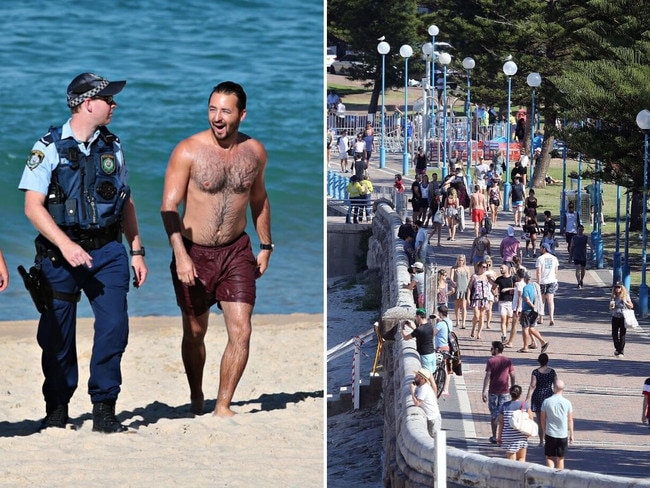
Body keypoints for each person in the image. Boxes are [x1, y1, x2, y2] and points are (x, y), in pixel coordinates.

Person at [19, 72, 148, 432]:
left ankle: (104, 408)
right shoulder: (46, 147)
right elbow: (33, 207)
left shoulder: (113, 146)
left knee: (114, 328)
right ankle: (57, 407)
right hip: (59, 256)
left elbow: (126, 201)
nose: (114, 105)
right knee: (56, 337)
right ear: (87, 103)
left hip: (107, 251)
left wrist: (136, 250)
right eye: (108, 99)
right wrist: (65, 244)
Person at [160, 81, 272, 417]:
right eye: (212, 109)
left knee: (242, 330)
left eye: (225, 110)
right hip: (194, 253)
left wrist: (265, 244)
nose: (217, 117)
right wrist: (180, 254)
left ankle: (223, 405)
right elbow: (169, 205)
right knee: (195, 333)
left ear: (242, 114)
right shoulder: (188, 150)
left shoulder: (255, 152)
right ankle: (197, 395)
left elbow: (259, 199)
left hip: (236, 251)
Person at [482, 341, 516, 444]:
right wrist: (513, 387)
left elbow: (487, 376)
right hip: (505, 391)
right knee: (503, 414)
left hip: (493, 391)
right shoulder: (508, 361)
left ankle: (494, 436)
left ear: (496, 349)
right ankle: (502, 435)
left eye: (492, 348)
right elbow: (512, 375)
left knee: (494, 414)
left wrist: (484, 391)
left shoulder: (491, 361)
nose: (491, 350)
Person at [540, 379, 574, 470]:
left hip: (550, 432)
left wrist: (544, 431)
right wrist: (571, 434)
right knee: (561, 458)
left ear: (553, 388)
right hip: (563, 434)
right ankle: (559, 477)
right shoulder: (567, 403)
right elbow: (570, 419)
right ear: (563, 389)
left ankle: (550, 474)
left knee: (549, 456)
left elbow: (542, 418)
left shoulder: (546, 401)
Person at [525, 353, 557, 446]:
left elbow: (532, 385)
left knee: (539, 420)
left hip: (538, 395)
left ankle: (541, 441)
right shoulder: (552, 372)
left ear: (539, 361)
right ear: (547, 361)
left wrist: (527, 398)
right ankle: (548, 439)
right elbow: (556, 384)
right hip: (549, 395)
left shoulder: (535, 372)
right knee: (548, 419)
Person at [497, 384, 533, 462]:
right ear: (520, 394)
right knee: (522, 458)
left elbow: (501, 423)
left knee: (511, 460)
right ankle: (520, 473)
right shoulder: (525, 406)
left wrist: (499, 436)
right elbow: (531, 420)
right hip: (521, 435)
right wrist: (529, 434)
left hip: (508, 436)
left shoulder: (505, 406)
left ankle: (512, 473)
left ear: (510, 393)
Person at [518, 272, 550, 354]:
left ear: (525, 278)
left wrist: (532, 307)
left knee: (525, 328)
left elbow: (527, 300)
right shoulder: (535, 286)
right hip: (535, 311)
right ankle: (543, 342)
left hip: (528, 310)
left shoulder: (526, 288)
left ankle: (525, 347)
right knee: (531, 328)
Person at [402, 309, 436, 374]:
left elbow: (405, 337)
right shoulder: (430, 325)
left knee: (427, 378)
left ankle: (434, 385)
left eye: (416, 316)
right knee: (430, 375)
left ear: (419, 316)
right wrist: (413, 327)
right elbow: (421, 333)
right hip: (432, 354)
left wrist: (402, 327)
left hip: (425, 356)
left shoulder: (419, 330)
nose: (416, 318)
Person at [410, 367, 441, 437]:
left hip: (433, 418)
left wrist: (412, 391)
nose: (415, 377)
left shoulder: (424, 388)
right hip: (430, 417)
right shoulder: (420, 386)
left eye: (417, 376)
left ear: (422, 378)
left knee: (433, 441)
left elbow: (417, 403)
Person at [433, 304, 454, 396]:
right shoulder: (449, 322)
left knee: (435, 366)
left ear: (440, 313)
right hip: (447, 347)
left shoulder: (440, 324)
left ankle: (433, 385)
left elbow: (433, 333)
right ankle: (445, 389)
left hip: (440, 348)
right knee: (446, 368)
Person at [536, 242, 559, 326]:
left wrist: (538, 282)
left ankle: (541, 318)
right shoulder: (554, 258)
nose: (540, 249)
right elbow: (556, 271)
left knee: (542, 301)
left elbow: (538, 272)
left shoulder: (540, 259)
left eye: (541, 248)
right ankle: (551, 318)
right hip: (552, 281)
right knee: (550, 301)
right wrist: (555, 280)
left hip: (542, 281)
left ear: (544, 249)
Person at [492, 264, 515, 345]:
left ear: (507, 269)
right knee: (503, 319)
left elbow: (518, 288)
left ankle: (505, 332)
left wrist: (508, 289)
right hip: (502, 301)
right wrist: (495, 295)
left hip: (511, 301)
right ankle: (504, 335)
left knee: (508, 320)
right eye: (500, 268)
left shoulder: (513, 279)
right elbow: (493, 287)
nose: (501, 269)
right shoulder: (499, 279)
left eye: (502, 268)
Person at [609, 281, 633, 357]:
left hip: (623, 317)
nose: (617, 289)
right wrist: (611, 305)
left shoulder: (625, 295)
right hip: (615, 316)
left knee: (622, 334)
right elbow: (610, 307)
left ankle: (621, 351)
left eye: (619, 287)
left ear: (621, 288)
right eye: (616, 287)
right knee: (614, 334)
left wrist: (625, 302)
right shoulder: (613, 296)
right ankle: (617, 348)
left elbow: (631, 306)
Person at [469, 261, 492, 340]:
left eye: (486, 267)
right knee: (476, 315)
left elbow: (495, 285)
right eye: (483, 267)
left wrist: (491, 278)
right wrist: (468, 298)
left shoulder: (487, 276)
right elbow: (469, 287)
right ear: (479, 267)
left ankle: (479, 333)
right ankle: (473, 328)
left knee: (482, 316)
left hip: (484, 298)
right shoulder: (474, 276)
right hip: (476, 298)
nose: (484, 268)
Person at [450, 255, 471, 329]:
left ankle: (463, 322)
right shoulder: (454, 268)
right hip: (457, 288)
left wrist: (469, 289)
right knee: (457, 306)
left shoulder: (467, 268)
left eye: (462, 260)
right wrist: (453, 282)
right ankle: (457, 321)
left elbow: (469, 279)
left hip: (464, 289)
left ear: (464, 261)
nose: (460, 262)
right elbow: (451, 277)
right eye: (459, 260)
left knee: (464, 306)